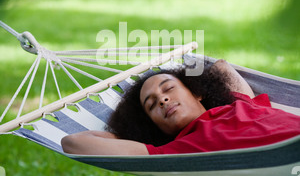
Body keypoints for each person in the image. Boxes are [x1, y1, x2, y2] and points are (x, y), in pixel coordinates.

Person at [61, 59, 300, 156]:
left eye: (168, 89)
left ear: (196, 92)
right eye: (152, 105)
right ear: (154, 125)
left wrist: (185, 61)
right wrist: (125, 136)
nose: (163, 100)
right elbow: (72, 142)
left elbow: (221, 67)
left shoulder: (241, 105)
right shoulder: (177, 150)